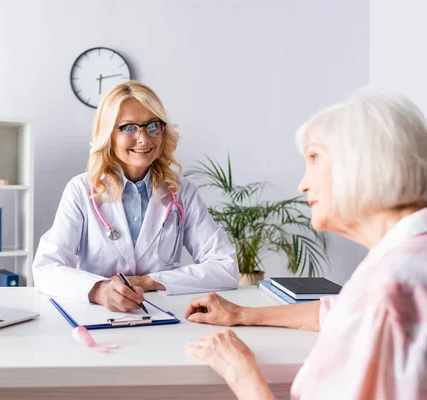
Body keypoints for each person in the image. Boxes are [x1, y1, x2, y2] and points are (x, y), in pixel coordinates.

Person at [185, 87, 427, 400]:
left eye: (314, 157)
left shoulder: (391, 286)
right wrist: (242, 314)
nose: (302, 185)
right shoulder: (407, 258)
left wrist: (241, 373)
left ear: (361, 160)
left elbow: (368, 309)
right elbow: (338, 311)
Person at [32, 80, 239, 311]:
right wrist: (100, 291)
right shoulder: (81, 190)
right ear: (108, 134)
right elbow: (46, 268)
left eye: (152, 125)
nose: (144, 138)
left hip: (165, 317)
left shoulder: (181, 192)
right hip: (97, 318)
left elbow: (226, 266)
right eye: (129, 127)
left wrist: (148, 282)